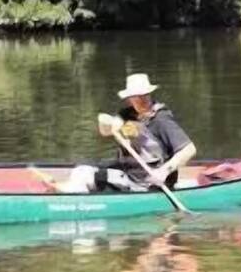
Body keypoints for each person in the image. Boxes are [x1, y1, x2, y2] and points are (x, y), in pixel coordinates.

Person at [63, 73, 197, 192]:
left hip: (148, 183)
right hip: (127, 172)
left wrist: (163, 171)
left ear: (149, 94)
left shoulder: (161, 120)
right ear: (129, 98)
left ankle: (68, 202)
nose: (141, 100)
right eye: (136, 97)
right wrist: (104, 122)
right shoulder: (126, 114)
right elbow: (106, 132)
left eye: (144, 95)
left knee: (84, 176)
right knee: (80, 169)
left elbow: (189, 149)